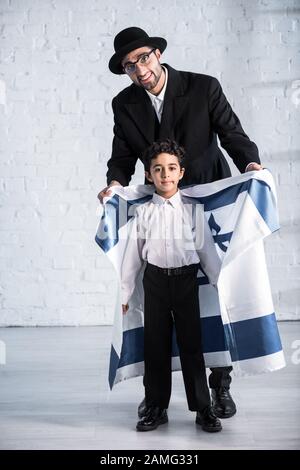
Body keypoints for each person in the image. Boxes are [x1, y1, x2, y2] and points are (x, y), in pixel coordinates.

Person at [98, 26, 264, 420]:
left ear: (157, 54)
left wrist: (252, 165)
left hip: (208, 204)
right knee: (154, 302)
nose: (139, 70)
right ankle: (153, 394)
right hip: (160, 206)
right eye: (128, 66)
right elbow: (121, 154)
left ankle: (219, 386)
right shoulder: (124, 104)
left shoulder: (203, 87)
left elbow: (232, 134)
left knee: (215, 296)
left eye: (143, 58)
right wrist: (114, 185)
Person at [121, 139, 222, 433]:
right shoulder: (142, 214)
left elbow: (208, 254)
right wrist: (126, 292)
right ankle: (155, 406)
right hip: (155, 283)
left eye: (171, 168)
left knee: (192, 345)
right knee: (156, 346)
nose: (165, 174)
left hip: (186, 282)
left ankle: (203, 408)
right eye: (158, 169)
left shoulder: (193, 212)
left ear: (181, 172)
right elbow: (132, 258)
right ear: (149, 175)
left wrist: (220, 283)